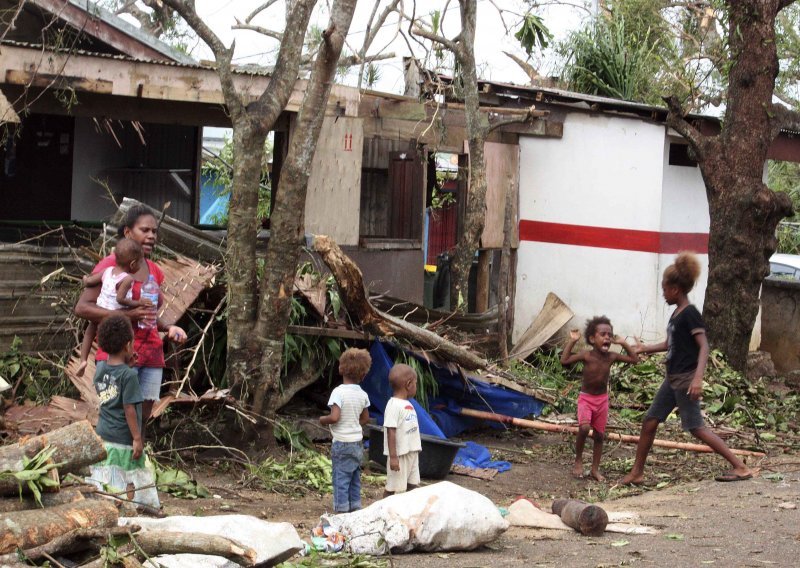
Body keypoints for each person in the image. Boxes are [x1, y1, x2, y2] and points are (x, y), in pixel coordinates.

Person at [621, 252, 754, 485]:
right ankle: (637, 473)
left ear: (675, 289)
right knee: (650, 421)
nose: (663, 293)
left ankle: (740, 466)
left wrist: (697, 379)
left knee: (696, 428)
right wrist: (644, 348)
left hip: (685, 380)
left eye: (664, 289)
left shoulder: (690, 314)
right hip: (672, 379)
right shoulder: (676, 314)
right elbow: (669, 343)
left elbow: (704, 346)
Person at [75, 204, 187, 431]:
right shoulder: (112, 266)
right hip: (118, 354)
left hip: (151, 354)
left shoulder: (155, 270)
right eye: (144, 230)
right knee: (117, 415)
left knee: (141, 418)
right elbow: (83, 308)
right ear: (127, 232)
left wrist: (169, 328)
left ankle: (134, 462)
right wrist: (127, 314)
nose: (151, 236)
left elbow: (149, 315)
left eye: (154, 231)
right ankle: (111, 464)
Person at [87, 315, 159, 508]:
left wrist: (126, 366)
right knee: (131, 472)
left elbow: (111, 388)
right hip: (123, 436)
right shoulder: (129, 376)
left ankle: (105, 504)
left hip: (103, 432)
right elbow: (129, 408)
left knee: (108, 472)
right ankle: (140, 505)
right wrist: (137, 438)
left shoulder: (101, 367)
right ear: (128, 345)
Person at [560, 316, 639, 481]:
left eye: (609, 335)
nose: (607, 338)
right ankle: (578, 461)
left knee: (599, 435)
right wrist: (573, 341)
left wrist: (624, 343)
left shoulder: (611, 357)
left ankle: (595, 469)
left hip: (602, 400)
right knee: (583, 428)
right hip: (586, 399)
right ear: (591, 338)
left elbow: (634, 359)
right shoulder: (587, 355)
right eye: (603, 334)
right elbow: (564, 360)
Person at [77, 239, 148, 377]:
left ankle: (83, 360)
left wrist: (85, 278)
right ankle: (129, 359)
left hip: (100, 308)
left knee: (89, 332)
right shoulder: (127, 279)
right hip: (115, 313)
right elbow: (120, 299)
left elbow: (90, 281)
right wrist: (137, 303)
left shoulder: (107, 271)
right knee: (129, 334)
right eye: (140, 263)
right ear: (132, 264)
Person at [319, 348, 372, 513]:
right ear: (363, 375)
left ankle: (341, 510)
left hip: (342, 443)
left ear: (341, 368)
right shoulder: (363, 394)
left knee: (340, 477)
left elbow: (334, 417)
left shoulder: (338, 392)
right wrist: (353, 424)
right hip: (357, 443)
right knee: (355, 477)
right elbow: (365, 419)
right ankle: (355, 507)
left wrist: (323, 420)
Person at [382, 363, 422, 497]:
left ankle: (409, 513)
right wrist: (393, 457)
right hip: (400, 455)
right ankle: (383, 510)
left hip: (412, 451)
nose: (416, 387)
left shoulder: (408, 404)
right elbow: (391, 431)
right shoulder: (393, 405)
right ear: (409, 384)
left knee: (413, 485)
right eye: (416, 384)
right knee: (394, 488)